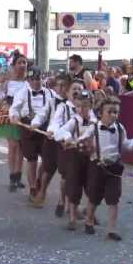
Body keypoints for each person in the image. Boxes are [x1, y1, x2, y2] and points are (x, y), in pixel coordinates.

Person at [76, 97, 133, 241]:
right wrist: (78, 142)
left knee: (114, 199)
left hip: (114, 167)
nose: (113, 115)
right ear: (100, 113)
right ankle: (89, 220)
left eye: (116, 112)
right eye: (110, 112)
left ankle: (112, 229)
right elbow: (82, 139)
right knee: (94, 197)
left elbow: (125, 143)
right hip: (97, 165)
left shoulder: (120, 128)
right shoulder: (93, 127)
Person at [54, 90, 97, 230]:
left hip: (91, 158)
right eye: (78, 106)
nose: (81, 109)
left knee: (92, 187)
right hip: (76, 157)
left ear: (91, 105)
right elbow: (61, 131)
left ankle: (89, 214)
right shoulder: (74, 120)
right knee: (74, 186)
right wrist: (68, 138)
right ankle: (72, 217)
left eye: (85, 106)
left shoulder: (95, 122)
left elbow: (95, 134)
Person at [9, 67, 53, 201]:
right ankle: (33, 188)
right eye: (33, 79)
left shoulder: (50, 93)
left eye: (38, 79)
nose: (36, 82)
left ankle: (39, 179)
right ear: (28, 80)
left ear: (42, 79)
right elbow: (14, 108)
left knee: (47, 161)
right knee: (32, 160)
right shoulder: (22, 93)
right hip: (27, 127)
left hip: (45, 128)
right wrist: (14, 116)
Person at [29, 73, 71, 208]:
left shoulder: (74, 103)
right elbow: (42, 114)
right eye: (60, 85)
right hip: (51, 139)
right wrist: (35, 122)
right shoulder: (52, 101)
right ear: (56, 87)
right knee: (48, 169)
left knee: (67, 172)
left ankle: (63, 200)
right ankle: (42, 192)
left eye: (65, 85)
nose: (62, 88)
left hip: (67, 141)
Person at [47, 79, 85, 217]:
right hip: (65, 146)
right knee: (66, 176)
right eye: (74, 89)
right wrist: (53, 130)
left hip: (80, 147)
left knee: (78, 177)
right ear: (68, 93)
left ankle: (73, 206)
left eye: (80, 89)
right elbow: (55, 122)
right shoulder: (62, 107)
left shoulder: (86, 109)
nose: (77, 91)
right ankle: (63, 200)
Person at [0, 51, 29, 192]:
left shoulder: (29, 82)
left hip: (24, 114)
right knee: (13, 145)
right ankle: (12, 176)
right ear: (14, 66)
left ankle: (18, 176)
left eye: (24, 63)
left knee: (21, 147)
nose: (22, 65)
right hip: (9, 113)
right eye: (19, 62)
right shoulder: (8, 81)